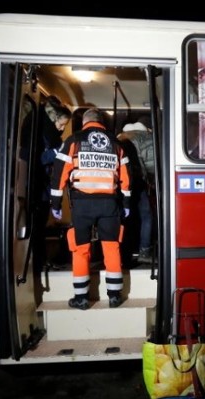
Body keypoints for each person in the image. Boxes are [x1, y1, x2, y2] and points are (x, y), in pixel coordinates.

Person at [49, 108, 131, 310]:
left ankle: (81, 298)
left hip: (82, 205)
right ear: (101, 122)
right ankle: (114, 296)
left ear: (85, 121)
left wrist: (55, 203)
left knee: (81, 250)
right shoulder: (116, 143)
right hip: (109, 204)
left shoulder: (73, 140)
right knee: (111, 248)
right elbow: (126, 177)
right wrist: (127, 204)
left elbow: (59, 173)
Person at [32, 96, 71, 274]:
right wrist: (56, 152)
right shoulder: (42, 135)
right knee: (37, 228)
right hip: (37, 187)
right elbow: (38, 158)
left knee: (41, 227)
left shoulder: (52, 136)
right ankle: (38, 263)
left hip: (45, 188)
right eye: (61, 124)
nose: (62, 129)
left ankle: (42, 261)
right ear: (53, 118)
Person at [117, 120, 155, 264]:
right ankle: (144, 251)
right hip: (138, 182)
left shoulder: (119, 137)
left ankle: (123, 252)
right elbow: (152, 165)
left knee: (124, 216)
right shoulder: (148, 138)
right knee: (146, 216)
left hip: (121, 182)